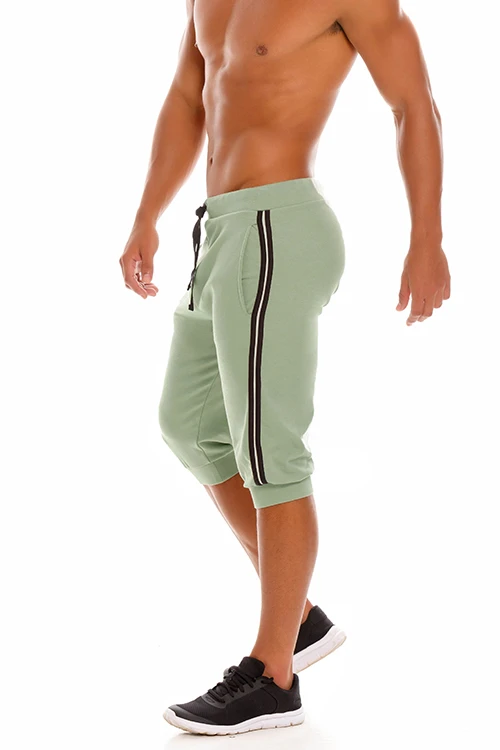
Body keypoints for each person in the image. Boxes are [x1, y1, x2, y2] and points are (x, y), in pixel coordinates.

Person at [119, 0, 451, 736]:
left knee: (271, 454)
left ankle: (273, 676)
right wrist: (147, 213)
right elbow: (188, 96)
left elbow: (413, 103)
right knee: (189, 426)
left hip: (278, 227)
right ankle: (298, 614)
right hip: (222, 230)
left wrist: (427, 238)